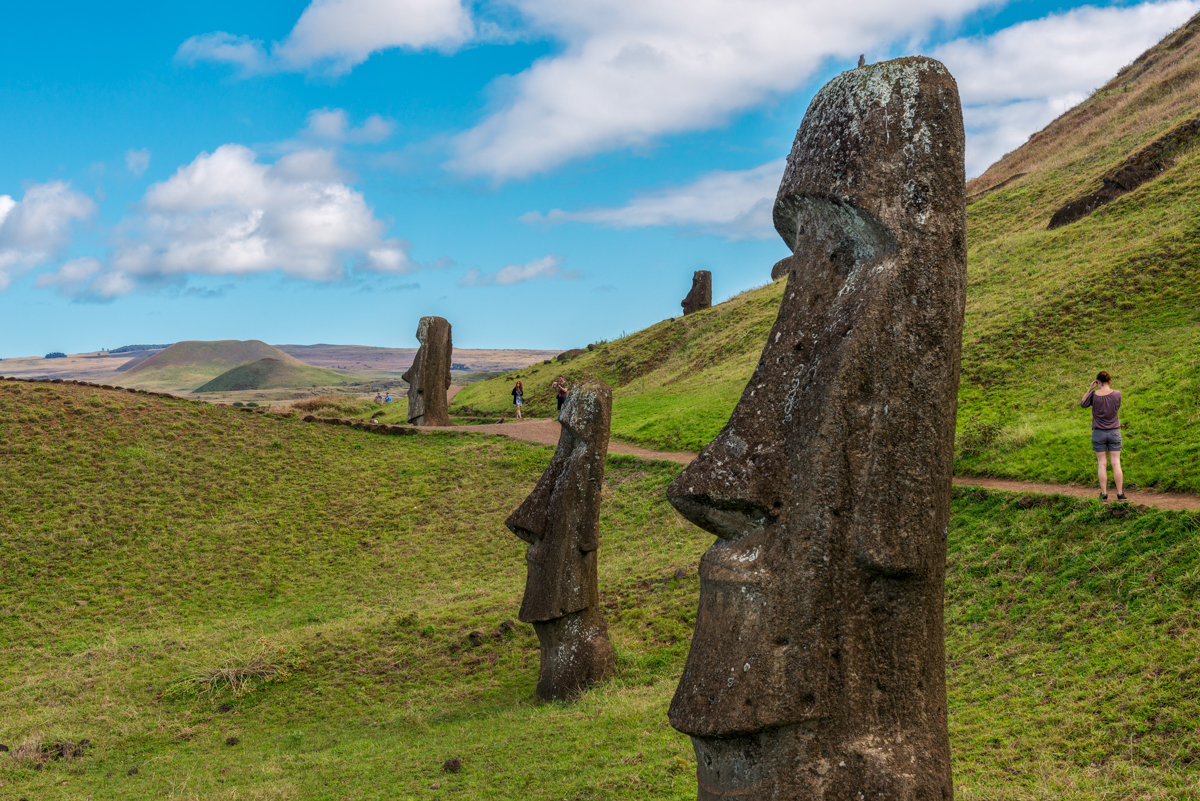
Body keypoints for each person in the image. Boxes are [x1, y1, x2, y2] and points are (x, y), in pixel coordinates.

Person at [1080, 370, 1125, 502]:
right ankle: (1120, 494)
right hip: (1114, 432)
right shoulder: (1117, 394)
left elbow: (1082, 404)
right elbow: (1117, 408)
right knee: (1116, 463)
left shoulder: (1094, 395)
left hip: (1098, 432)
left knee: (1102, 464)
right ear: (1110, 381)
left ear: (1097, 382)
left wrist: (1089, 390)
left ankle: (1104, 494)